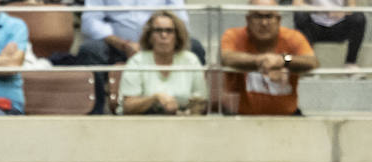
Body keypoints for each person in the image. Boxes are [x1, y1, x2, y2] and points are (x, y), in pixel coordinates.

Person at [77, 0, 206, 114]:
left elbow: (181, 19)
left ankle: (192, 109)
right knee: (90, 50)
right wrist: (122, 44)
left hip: (159, 37)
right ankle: (95, 113)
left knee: (194, 47)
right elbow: (90, 20)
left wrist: (159, 37)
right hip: (115, 45)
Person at [220, 0, 318, 115]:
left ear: (278, 20)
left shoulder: (293, 37)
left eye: (269, 16)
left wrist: (283, 60)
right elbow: (225, 57)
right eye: (258, 16)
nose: (264, 23)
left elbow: (311, 61)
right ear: (248, 19)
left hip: (288, 117)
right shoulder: (234, 35)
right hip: (241, 117)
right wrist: (259, 60)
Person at [117, 11, 206, 115]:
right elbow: (128, 106)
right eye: (158, 30)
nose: (164, 35)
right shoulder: (137, 61)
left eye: (169, 31)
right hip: (143, 122)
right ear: (149, 36)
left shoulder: (191, 60)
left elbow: (200, 102)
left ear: (177, 36)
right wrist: (154, 99)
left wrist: (188, 114)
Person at [292, 0, 366, 70]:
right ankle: (307, 62)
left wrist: (342, 12)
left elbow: (352, 7)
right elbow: (297, 4)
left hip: (338, 27)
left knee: (358, 17)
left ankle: (350, 63)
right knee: (300, 15)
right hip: (314, 27)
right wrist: (321, 10)